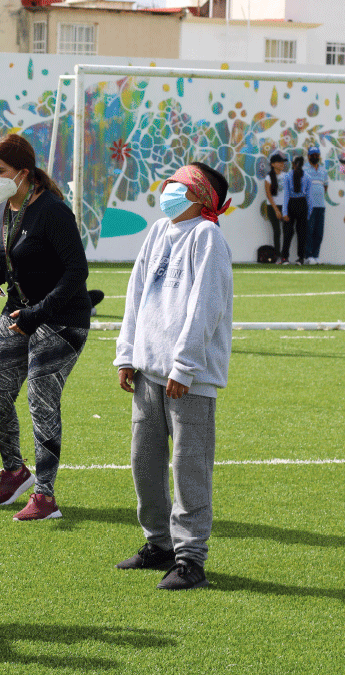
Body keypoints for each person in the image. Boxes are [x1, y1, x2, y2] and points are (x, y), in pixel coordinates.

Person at [113, 162, 233, 590]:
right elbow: (136, 292)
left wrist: (185, 365)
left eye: (178, 184)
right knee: (144, 462)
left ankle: (190, 559)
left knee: (189, 468)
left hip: (189, 379)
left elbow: (207, 305)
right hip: (148, 372)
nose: (168, 189)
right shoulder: (160, 231)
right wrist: (126, 354)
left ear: (201, 197)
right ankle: (158, 544)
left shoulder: (207, 236)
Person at [0, 134, 90, 521]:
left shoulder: (53, 211)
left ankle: (45, 497)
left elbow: (77, 271)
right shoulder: (6, 206)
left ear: (23, 173)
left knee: (41, 400)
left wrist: (39, 312)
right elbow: (12, 261)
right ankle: (14, 471)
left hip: (60, 320)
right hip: (20, 313)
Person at [279, 155, 309, 265]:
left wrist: (285, 212)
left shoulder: (287, 176)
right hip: (302, 204)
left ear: (293, 164)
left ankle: (284, 258)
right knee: (301, 233)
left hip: (291, 203)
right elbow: (308, 197)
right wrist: (309, 212)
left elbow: (286, 195)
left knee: (288, 233)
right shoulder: (307, 177)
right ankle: (301, 258)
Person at [303, 145, 328, 264]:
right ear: (308, 156)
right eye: (312, 155)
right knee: (309, 231)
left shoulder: (323, 170)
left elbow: (325, 186)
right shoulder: (303, 169)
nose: (314, 157)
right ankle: (308, 256)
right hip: (309, 206)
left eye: (316, 155)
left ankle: (316, 255)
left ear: (319, 156)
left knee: (319, 232)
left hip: (321, 206)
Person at [262, 153, 286, 259]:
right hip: (273, 207)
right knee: (277, 231)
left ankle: (285, 255)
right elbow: (268, 195)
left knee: (287, 231)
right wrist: (276, 209)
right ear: (272, 164)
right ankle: (277, 255)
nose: (282, 164)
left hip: (284, 206)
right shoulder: (269, 177)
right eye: (279, 162)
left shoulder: (286, 175)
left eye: (282, 162)